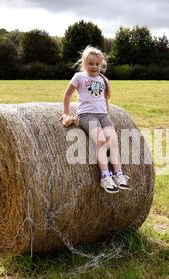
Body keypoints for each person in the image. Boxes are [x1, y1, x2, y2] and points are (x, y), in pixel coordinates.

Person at [62, 45, 131, 194]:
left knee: (113, 141)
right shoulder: (79, 77)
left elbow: (104, 99)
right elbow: (67, 95)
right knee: (101, 141)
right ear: (84, 63)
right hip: (86, 115)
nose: (94, 67)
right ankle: (105, 176)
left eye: (97, 64)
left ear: (101, 65)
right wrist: (66, 113)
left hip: (103, 116)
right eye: (90, 63)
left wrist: (106, 113)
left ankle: (118, 174)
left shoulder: (102, 79)